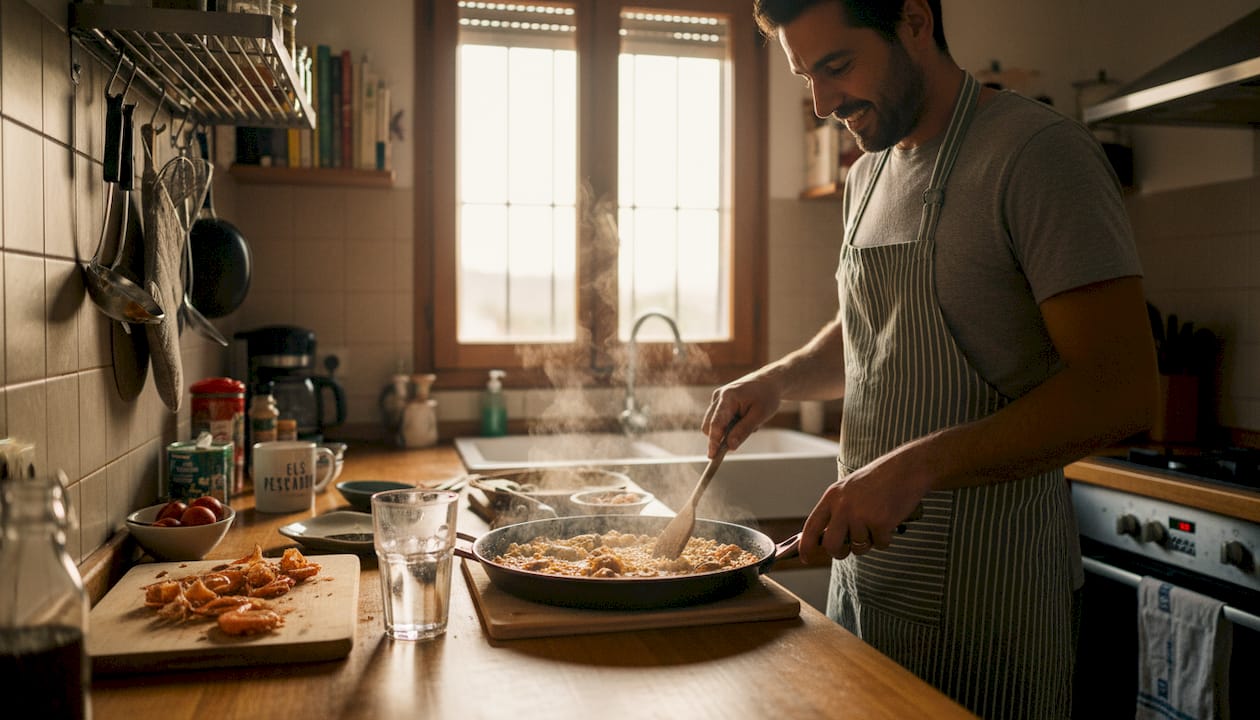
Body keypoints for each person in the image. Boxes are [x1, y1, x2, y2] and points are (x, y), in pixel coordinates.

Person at [701, 1, 1158, 717]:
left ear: (914, 19)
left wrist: (915, 466)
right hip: (869, 590)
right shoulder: (866, 173)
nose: (823, 104)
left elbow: (1122, 393)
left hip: (994, 606)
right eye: (805, 77)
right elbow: (875, 333)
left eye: (837, 65)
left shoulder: (1039, 156)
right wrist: (781, 378)